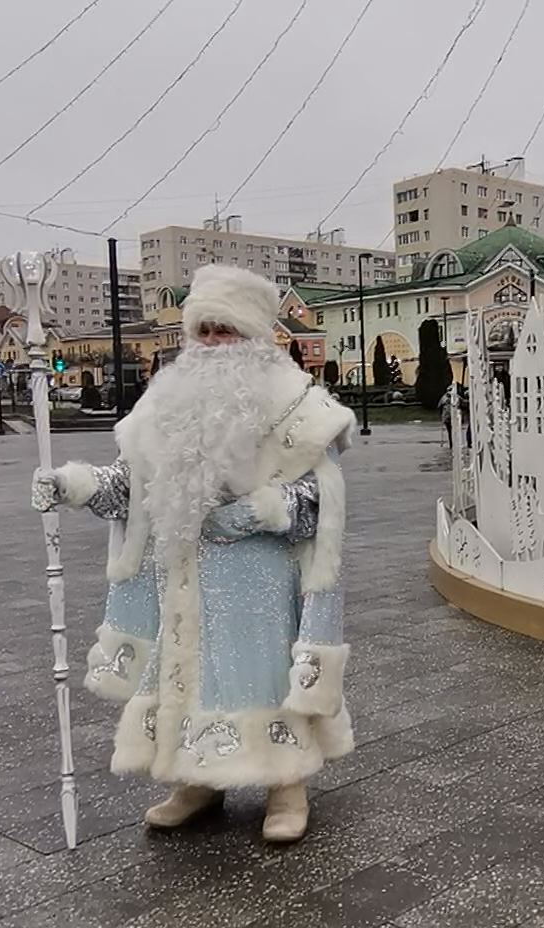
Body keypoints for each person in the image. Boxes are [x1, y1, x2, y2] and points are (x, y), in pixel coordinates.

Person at [31, 265, 355, 842]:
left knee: (262, 674)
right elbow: (132, 486)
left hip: (258, 575)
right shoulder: (164, 403)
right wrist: (72, 486)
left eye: (223, 329)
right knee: (190, 674)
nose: (210, 342)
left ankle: (287, 785)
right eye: (202, 330)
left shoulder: (298, 405)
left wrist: (256, 511)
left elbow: (321, 499)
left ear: (252, 335)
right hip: (181, 574)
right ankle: (197, 779)